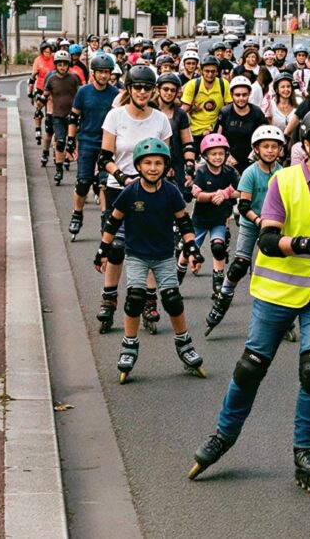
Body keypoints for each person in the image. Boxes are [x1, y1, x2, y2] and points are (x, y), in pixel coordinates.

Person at [189, 108, 310, 496]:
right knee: (250, 368)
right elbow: (267, 241)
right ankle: (222, 436)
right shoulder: (283, 182)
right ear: (305, 144)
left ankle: (305, 450)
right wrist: (306, 245)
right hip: (276, 293)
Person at [97, 138, 206, 383]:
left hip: (164, 255)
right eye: (147, 163)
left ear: (166, 166)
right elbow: (113, 221)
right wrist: (103, 249)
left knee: (172, 300)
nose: (153, 168)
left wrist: (192, 248)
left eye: (158, 163)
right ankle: (129, 345)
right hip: (136, 255)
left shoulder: (170, 191)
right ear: (138, 166)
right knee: (135, 298)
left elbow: (184, 222)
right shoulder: (130, 192)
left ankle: (184, 342)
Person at [96, 66, 174, 334]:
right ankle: (109, 298)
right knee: (116, 247)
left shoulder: (161, 120)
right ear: (129, 89)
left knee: (149, 247)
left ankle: (149, 300)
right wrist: (123, 176)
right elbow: (104, 158)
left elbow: (166, 160)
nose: (142, 92)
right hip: (120, 187)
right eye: (137, 87)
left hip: (152, 190)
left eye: (147, 87)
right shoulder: (115, 116)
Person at [206, 124, 285, 337]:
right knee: (240, 265)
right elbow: (243, 206)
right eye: (265, 146)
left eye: (274, 146)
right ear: (256, 149)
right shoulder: (250, 173)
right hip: (252, 223)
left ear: (280, 149)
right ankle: (222, 299)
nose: (270, 150)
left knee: (275, 272)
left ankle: (280, 317)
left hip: (275, 226)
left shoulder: (283, 173)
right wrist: (260, 221)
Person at [66, 53, 121, 240]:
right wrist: (70, 140)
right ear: (94, 73)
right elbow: (74, 117)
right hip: (87, 141)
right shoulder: (83, 92)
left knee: (105, 183)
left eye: (107, 72)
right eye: (101, 72)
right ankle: (77, 213)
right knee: (83, 182)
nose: (104, 76)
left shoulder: (115, 94)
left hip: (108, 142)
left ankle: (105, 217)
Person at [189, 134, 241, 294]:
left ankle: (218, 282)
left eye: (221, 153)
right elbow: (198, 195)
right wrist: (213, 196)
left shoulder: (230, 172)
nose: (218, 157)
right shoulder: (202, 172)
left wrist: (226, 193)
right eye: (213, 154)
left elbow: (241, 191)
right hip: (200, 219)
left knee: (218, 248)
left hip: (219, 218)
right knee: (189, 250)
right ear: (205, 155)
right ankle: (179, 271)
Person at [153, 72, 196, 204]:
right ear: (157, 89)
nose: (169, 93)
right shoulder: (149, 109)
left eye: (173, 90)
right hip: (152, 159)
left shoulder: (180, 113)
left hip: (176, 161)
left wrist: (189, 167)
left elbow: (187, 142)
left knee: (175, 201)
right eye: (165, 89)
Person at [41, 50, 83, 183]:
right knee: (60, 142)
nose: (62, 67)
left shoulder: (74, 78)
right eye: (59, 65)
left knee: (73, 142)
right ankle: (59, 170)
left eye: (65, 64)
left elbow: (81, 94)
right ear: (56, 65)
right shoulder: (51, 79)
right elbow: (45, 95)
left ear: (68, 65)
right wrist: (38, 108)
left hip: (73, 116)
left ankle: (69, 158)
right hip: (57, 116)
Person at [215, 76, 266, 173]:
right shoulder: (225, 112)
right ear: (231, 95)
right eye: (237, 95)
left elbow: (263, 137)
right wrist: (225, 155)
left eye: (244, 95)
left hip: (252, 161)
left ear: (249, 94)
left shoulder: (256, 112)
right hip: (229, 162)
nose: (241, 98)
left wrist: (256, 155)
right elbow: (218, 138)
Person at [183, 56, 232, 150]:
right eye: (207, 71)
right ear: (201, 71)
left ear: (217, 71)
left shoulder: (224, 84)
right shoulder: (192, 85)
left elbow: (229, 109)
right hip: (194, 132)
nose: (210, 74)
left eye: (213, 71)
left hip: (215, 131)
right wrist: (193, 108)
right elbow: (184, 110)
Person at [29, 42, 56, 143]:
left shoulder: (54, 58)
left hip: (52, 89)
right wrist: (30, 93)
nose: (48, 54)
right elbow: (33, 76)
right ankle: (38, 129)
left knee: (50, 112)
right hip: (40, 87)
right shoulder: (38, 60)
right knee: (38, 110)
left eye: (49, 52)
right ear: (42, 52)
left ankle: (49, 132)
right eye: (46, 52)